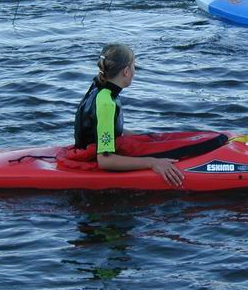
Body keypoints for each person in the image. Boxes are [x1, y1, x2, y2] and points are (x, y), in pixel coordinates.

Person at [74, 44, 184, 187]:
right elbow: (105, 160)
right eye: (134, 67)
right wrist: (153, 162)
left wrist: (145, 138)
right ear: (126, 71)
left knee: (159, 141)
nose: (134, 71)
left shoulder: (99, 86)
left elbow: (101, 127)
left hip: (89, 149)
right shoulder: (106, 102)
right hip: (91, 159)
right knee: (181, 149)